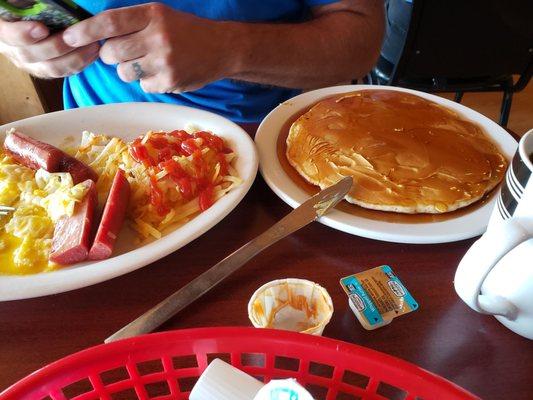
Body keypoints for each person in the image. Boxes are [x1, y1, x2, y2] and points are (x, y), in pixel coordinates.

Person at [0, 1, 384, 123]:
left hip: (254, 148)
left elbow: (360, 41)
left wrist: (230, 49)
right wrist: (27, 49)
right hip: (87, 137)